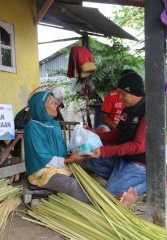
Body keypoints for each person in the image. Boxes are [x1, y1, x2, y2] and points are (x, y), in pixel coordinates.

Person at [66, 70, 146, 207]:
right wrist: (91, 133)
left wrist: (105, 151)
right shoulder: (128, 109)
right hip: (122, 160)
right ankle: (122, 180)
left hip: (139, 165)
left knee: (109, 194)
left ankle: (149, 183)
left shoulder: (148, 111)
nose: (120, 97)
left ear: (134, 93)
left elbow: (138, 146)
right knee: (88, 160)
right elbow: (116, 134)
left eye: (123, 94)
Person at [24, 90, 90, 203]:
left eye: (55, 103)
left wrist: (76, 152)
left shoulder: (54, 125)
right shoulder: (32, 127)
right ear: (41, 107)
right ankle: (96, 211)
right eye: (52, 103)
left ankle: (99, 204)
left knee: (85, 180)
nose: (56, 106)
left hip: (60, 167)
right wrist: (69, 160)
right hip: (41, 170)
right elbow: (41, 157)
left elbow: (61, 150)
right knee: (72, 185)